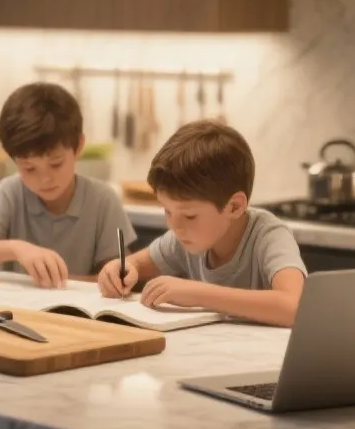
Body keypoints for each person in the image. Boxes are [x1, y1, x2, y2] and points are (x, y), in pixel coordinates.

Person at [97, 120, 306, 327]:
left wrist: (197, 294)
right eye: (167, 210)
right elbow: (137, 264)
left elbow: (295, 307)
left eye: (189, 216)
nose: (174, 226)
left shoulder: (269, 236)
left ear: (234, 206)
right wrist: (119, 270)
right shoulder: (183, 237)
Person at [0, 83, 134, 288]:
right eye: (29, 168)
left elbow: (119, 277)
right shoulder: (12, 191)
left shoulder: (102, 200)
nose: (45, 179)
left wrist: (57, 282)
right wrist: (17, 248)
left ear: (79, 146)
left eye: (56, 163)